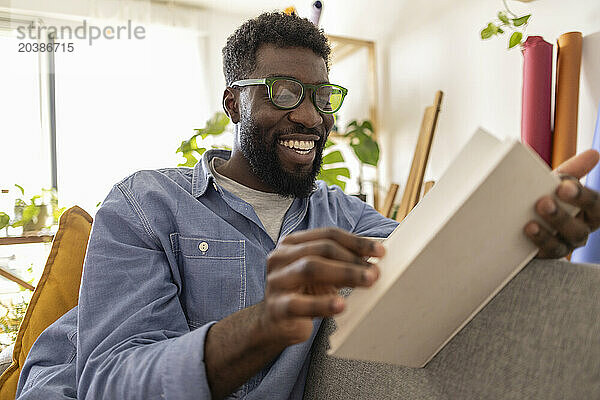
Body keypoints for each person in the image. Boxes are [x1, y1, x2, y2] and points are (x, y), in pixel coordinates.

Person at [15, 12, 600, 400]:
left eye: (323, 96)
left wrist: (524, 230)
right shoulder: (148, 205)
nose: (311, 116)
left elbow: (433, 255)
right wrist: (263, 324)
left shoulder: (345, 215)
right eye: (284, 93)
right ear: (233, 101)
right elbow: (112, 382)